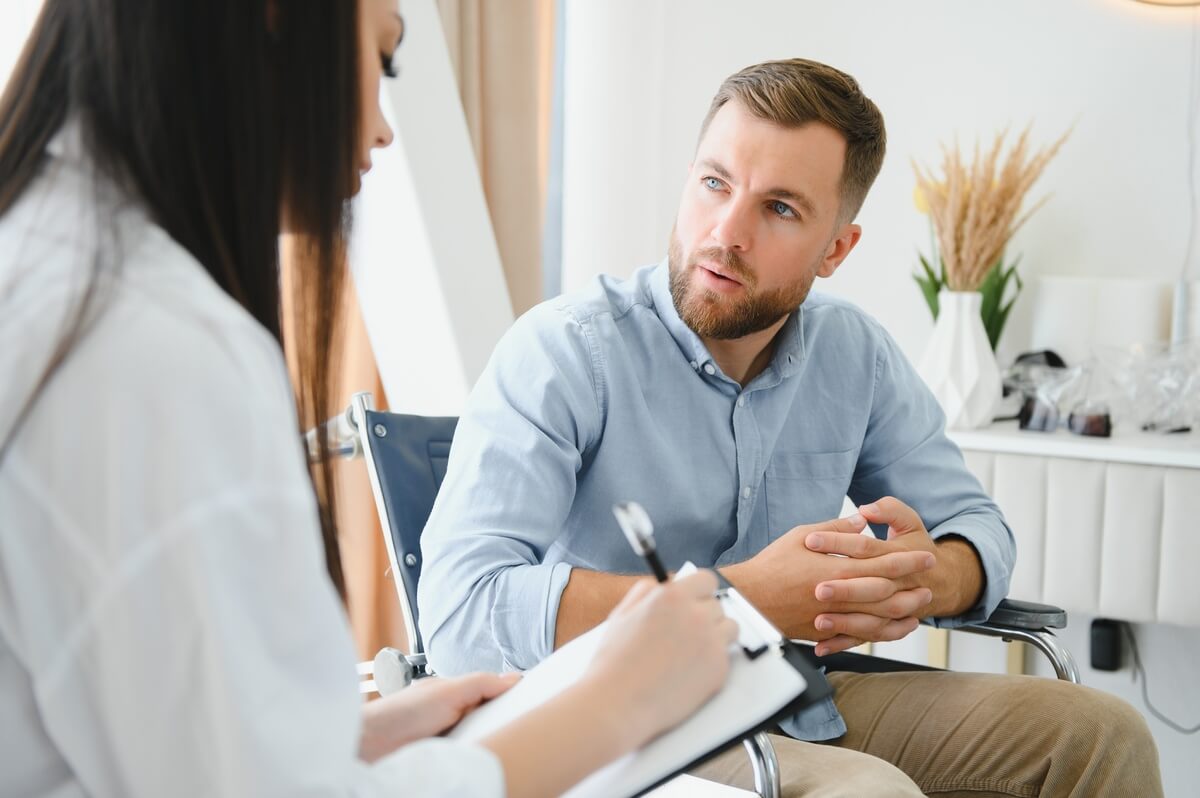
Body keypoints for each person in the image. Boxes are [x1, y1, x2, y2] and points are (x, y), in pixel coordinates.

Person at [0, 1, 739, 796]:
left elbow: (158, 728)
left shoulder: (55, 271)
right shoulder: (156, 353)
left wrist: (346, 739)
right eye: (384, 60)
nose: (385, 130)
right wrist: (619, 701)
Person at [419, 58, 1163, 796]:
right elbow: (460, 608)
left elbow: (976, 525)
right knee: (866, 793)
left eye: (779, 208)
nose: (726, 231)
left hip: (793, 699)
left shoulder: (854, 353)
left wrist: (924, 581)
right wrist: (739, 597)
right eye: (714, 183)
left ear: (836, 249)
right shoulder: (564, 351)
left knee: (1101, 733)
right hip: (609, 722)